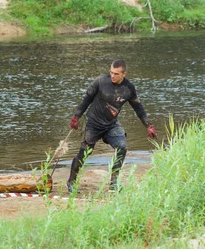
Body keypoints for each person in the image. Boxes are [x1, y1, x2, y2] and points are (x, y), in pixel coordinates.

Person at [66, 59, 157, 192]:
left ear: (124, 74)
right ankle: (71, 182)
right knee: (85, 151)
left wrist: (148, 125)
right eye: (111, 72)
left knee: (122, 147)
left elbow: (138, 108)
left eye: (116, 74)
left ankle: (114, 183)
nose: (112, 76)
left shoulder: (129, 88)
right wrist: (76, 117)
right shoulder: (101, 81)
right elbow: (86, 99)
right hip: (93, 123)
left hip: (111, 125)